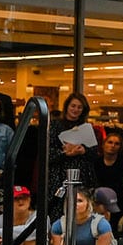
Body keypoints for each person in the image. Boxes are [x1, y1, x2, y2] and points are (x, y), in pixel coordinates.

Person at [45, 92, 99, 221]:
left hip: (82, 176)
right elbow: (48, 153)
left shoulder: (87, 127)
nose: (75, 109)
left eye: (79, 107)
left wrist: (83, 150)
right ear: (67, 107)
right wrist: (65, 153)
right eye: (73, 106)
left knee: (80, 212)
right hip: (59, 177)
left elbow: (95, 154)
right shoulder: (54, 125)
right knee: (58, 214)